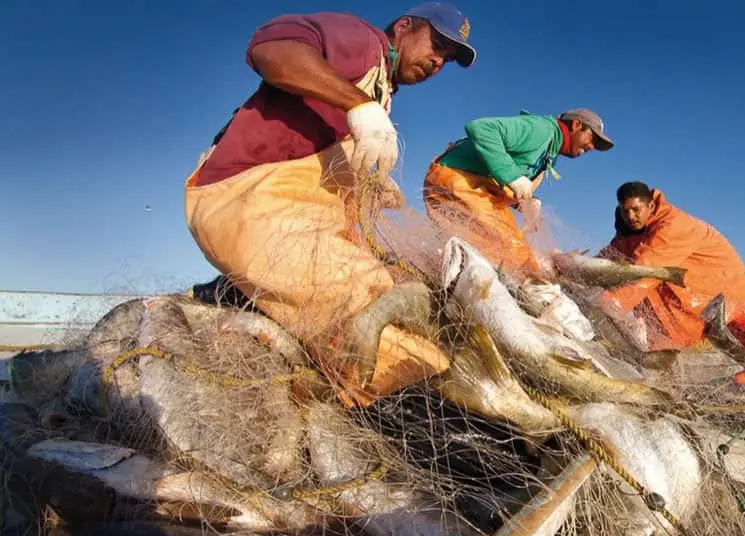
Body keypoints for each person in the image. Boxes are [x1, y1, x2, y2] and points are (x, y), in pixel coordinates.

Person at [182, 4, 477, 409]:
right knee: (387, 334)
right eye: (438, 44)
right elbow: (271, 50)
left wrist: (370, 181)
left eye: (448, 58)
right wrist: (358, 105)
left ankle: (235, 295)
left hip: (295, 211)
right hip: (250, 198)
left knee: (401, 294)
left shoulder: (381, 91)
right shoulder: (362, 42)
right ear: (405, 26)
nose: (438, 61)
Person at [592, 181, 745, 386]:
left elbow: (646, 270)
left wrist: (609, 305)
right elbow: (608, 261)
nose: (630, 216)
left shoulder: (672, 225)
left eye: (635, 210)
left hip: (724, 288)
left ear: (650, 205)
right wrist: (564, 267)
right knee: (672, 344)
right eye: (625, 211)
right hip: (689, 302)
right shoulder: (630, 232)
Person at [423, 108, 614, 278]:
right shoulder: (541, 130)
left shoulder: (550, 153)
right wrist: (512, 176)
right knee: (513, 255)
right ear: (576, 124)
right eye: (592, 139)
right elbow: (481, 128)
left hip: (481, 191)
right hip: (456, 179)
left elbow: (504, 180)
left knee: (523, 258)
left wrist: (525, 202)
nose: (592, 147)